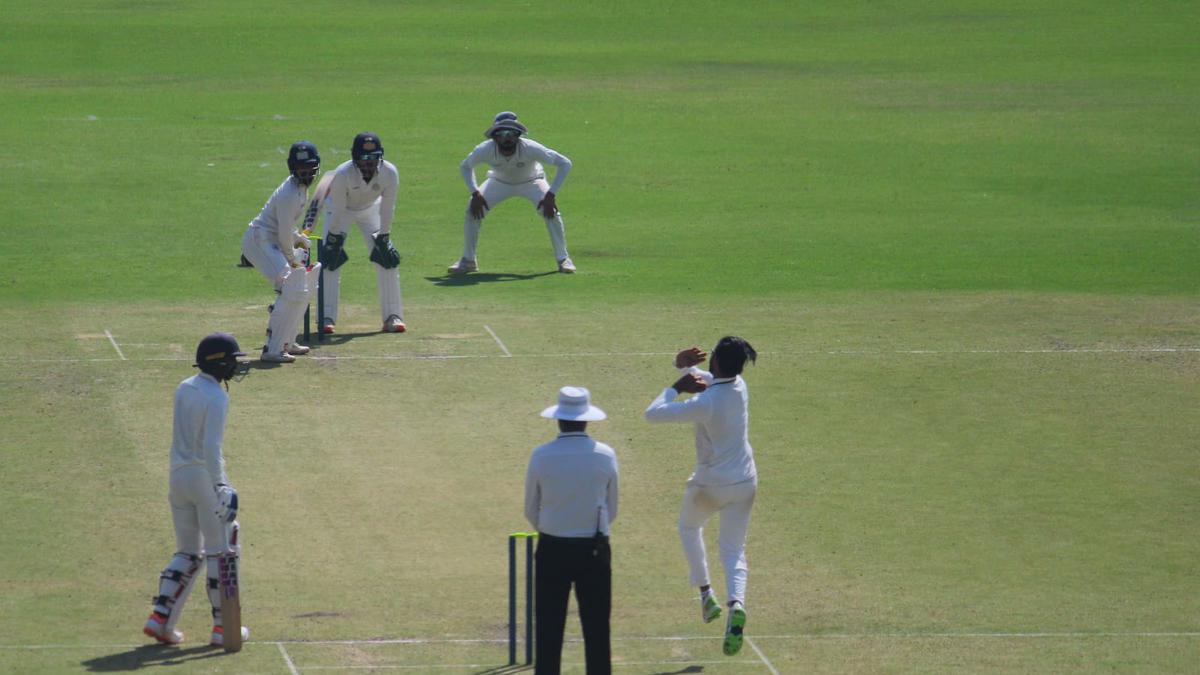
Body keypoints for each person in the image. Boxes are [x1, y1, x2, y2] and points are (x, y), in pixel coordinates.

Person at [643, 336, 759, 657]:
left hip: (710, 485)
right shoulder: (739, 387)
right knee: (734, 550)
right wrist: (683, 364)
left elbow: (652, 414)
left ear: (717, 361)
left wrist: (676, 385)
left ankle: (707, 596)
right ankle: (736, 603)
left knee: (689, 528)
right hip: (745, 481)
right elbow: (710, 380)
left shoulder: (705, 403)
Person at [143, 333, 251, 648]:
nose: (235, 366)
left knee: (188, 551)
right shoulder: (217, 397)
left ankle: (161, 619)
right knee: (222, 549)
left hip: (178, 479)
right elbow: (211, 448)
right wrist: (222, 487)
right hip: (204, 479)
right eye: (231, 361)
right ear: (217, 362)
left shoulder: (184, 386)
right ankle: (223, 629)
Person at [524, 387, 619, 674]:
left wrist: (555, 527)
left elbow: (531, 508)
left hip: (553, 548)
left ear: (559, 419)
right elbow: (612, 508)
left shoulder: (541, 455)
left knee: (549, 630)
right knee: (597, 630)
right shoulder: (605, 455)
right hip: (594, 549)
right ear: (586, 419)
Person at [448, 111, 576, 276]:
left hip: (532, 181)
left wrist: (551, 194)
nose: (507, 138)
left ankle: (563, 259)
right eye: (502, 133)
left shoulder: (531, 148)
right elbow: (465, 166)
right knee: (472, 210)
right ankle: (468, 260)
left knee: (551, 212)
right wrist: (475, 193)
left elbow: (565, 163)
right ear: (494, 136)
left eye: (512, 133)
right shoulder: (484, 149)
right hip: (498, 182)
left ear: (518, 135)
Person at [240, 141, 323, 363]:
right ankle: (272, 349)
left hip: (273, 239)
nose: (305, 173)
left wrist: (299, 239)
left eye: (309, 169)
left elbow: (287, 228)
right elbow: (284, 234)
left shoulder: (301, 190)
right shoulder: (289, 193)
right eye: (301, 169)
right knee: (290, 283)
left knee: (301, 288)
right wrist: (292, 260)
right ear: (292, 168)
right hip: (260, 241)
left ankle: (288, 340)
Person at [315, 132, 405, 334]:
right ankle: (326, 317)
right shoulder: (342, 174)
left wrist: (384, 236)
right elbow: (338, 208)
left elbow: (388, 208)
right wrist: (334, 238)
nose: (368, 163)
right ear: (355, 159)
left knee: (386, 258)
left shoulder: (390, 172)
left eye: (373, 158)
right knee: (330, 260)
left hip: (371, 209)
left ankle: (393, 315)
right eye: (364, 159)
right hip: (341, 212)